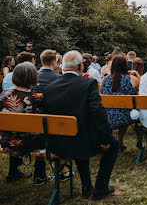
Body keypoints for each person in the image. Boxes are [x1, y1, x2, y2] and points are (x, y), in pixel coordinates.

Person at [43, 50, 118, 200]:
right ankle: (101, 188)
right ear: (80, 66)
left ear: (63, 66)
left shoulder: (50, 88)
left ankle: (86, 186)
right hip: (82, 142)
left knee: (78, 135)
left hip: (57, 144)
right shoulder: (88, 83)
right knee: (113, 144)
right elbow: (98, 111)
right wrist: (105, 138)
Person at [0, 62, 53, 185]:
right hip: (29, 143)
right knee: (40, 134)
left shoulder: (4, 94)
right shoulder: (36, 98)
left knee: (15, 131)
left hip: (6, 141)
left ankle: (13, 172)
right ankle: (40, 176)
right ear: (33, 77)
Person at [101, 56, 139, 150]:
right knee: (124, 110)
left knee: (116, 110)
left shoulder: (104, 80)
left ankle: (108, 142)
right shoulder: (132, 79)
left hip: (107, 117)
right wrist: (137, 74)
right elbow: (142, 92)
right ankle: (121, 141)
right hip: (126, 117)